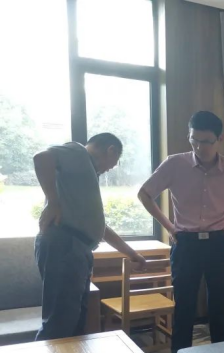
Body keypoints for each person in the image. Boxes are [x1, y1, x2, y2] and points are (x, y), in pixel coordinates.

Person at [138, 112, 224, 353]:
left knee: (219, 307)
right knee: (184, 307)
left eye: (206, 141)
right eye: (194, 140)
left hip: (220, 243)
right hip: (185, 242)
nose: (199, 147)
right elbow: (144, 193)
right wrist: (169, 227)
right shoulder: (175, 164)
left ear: (220, 139)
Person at [33, 133, 148, 341]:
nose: (108, 169)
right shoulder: (79, 153)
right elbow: (41, 158)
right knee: (60, 323)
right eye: (113, 164)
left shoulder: (84, 176)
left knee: (75, 322)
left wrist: (132, 254)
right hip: (65, 244)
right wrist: (53, 202)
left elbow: (101, 228)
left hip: (76, 248)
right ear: (111, 150)